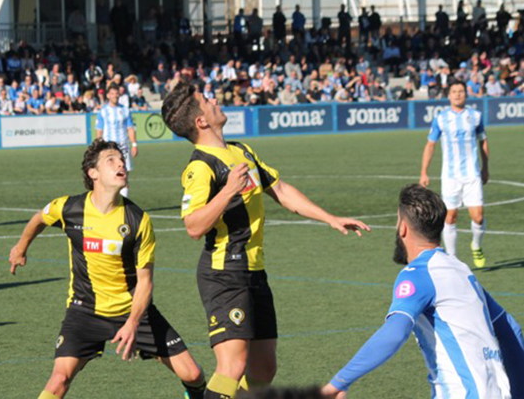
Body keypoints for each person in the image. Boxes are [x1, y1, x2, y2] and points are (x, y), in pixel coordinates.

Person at [160, 83, 369, 399]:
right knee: (232, 365)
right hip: (223, 273)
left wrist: (331, 218)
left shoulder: (241, 150)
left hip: (254, 272)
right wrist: (229, 190)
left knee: (262, 369)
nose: (215, 98)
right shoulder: (200, 167)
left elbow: (281, 190)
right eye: (206, 99)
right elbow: (193, 225)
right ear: (200, 121)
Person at [8, 140, 206, 399]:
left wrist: (133, 322)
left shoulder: (137, 220)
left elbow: (145, 282)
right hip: (84, 310)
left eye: (121, 159)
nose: (121, 163)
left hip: (131, 311)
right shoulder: (69, 208)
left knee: (193, 375)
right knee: (58, 381)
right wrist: (21, 247)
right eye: (111, 160)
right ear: (93, 173)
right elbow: (39, 219)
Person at [321, 184, 524, 399]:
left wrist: (338, 383)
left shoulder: (418, 274)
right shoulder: (462, 271)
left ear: (403, 228)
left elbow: (395, 332)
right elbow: (511, 331)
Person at [419, 81, 489, 267]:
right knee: (450, 217)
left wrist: (486, 167)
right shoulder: (441, 118)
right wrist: (424, 171)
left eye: (461, 91)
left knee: (478, 216)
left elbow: (483, 141)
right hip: (450, 176)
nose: (458, 94)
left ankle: (476, 244)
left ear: (466, 94)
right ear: (449, 96)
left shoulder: (475, 116)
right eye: (454, 91)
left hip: (472, 174)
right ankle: (453, 259)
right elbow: (430, 145)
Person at [96, 84, 137, 198]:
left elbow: (130, 128)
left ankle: (123, 204)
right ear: (108, 95)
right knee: (107, 176)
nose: (115, 96)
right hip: (108, 148)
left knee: (124, 176)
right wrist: (98, 146)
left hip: (123, 147)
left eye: (117, 93)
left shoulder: (125, 110)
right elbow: (99, 130)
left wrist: (134, 144)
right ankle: (109, 202)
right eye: (113, 93)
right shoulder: (103, 111)